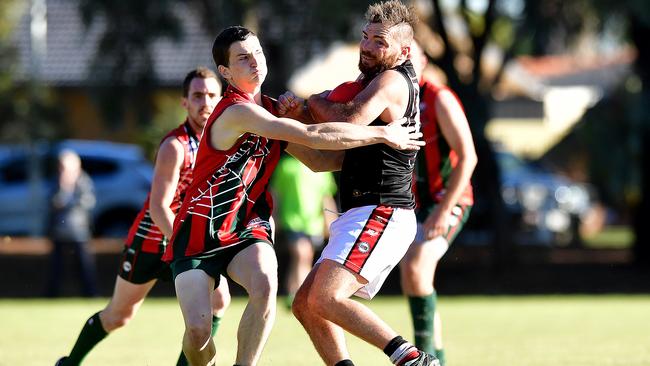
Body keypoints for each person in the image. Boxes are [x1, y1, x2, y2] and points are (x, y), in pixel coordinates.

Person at [162, 25, 423, 366]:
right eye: (243, 58)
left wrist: (302, 114)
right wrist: (380, 133)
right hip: (200, 229)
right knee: (198, 334)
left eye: (257, 52)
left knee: (267, 286)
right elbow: (312, 135)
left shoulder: (271, 108)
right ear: (225, 72)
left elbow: (316, 161)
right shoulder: (236, 111)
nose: (255, 61)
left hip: (247, 228)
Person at [280, 1, 439, 365]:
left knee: (324, 297)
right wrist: (282, 129)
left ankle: (412, 358)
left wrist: (311, 103)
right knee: (306, 305)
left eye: (379, 41)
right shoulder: (368, 82)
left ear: (404, 50)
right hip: (361, 212)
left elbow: (345, 118)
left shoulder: (392, 80)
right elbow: (323, 160)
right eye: (365, 37)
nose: (367, 46)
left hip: (382, 210)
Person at [56, 67, 230, 366]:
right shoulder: (175, 146)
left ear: (221, 99)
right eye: (197, 95)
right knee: (119, 316)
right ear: (184, 102)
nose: (205, 102)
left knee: (218, 301)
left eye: (212, 95)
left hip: (189, 246)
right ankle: (69, 363)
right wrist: (188, 244)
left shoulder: (222, 142)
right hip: (152, 242)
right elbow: (158, 207)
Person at [399, 40, 477, 366]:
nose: (404, 59)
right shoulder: (394, 99)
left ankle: (426, 360)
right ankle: (436, 359)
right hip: (415, 206)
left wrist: (445, 210)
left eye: (410, 53)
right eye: (399, 53)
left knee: (416, 268)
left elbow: (468, 157)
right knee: (414, 276)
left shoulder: (438, 98)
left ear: (424, 60)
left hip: (449, 199)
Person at [270, 154, 338, 308]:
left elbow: (326, 197)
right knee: (302, 254)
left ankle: (297, 294)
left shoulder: (322, 167)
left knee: (305, 259)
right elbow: (276, 194)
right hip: (292, 220)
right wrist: (274, 216)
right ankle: (296, 295)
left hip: (314, 223)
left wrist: (330, 220)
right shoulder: (285, 166)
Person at [45, 149, 97, 298]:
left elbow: (88, 202)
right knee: (56, 267)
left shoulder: (83, 181)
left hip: (79, 230)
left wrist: (67, 203)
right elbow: (52, 202)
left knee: (84, 266)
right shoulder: (56, 182)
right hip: (59, 231)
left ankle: (90, 294)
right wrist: (63, 188)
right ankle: (51, 295)